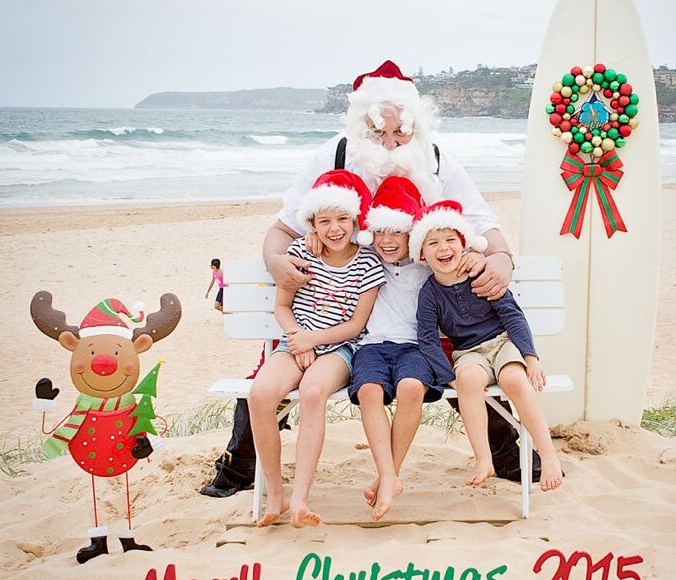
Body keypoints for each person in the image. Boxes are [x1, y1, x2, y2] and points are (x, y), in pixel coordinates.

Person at [201, 59, 533, 499]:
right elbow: (281, 230)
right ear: (361, 128)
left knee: (464, 354)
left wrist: (503, 259)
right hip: (339, 305)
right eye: (379, 133)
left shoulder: (435, 159)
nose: (391, 144)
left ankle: (506, 456)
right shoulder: (333, 156)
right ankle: (240, 468)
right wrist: (277, 262)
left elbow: (484, 223)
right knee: (270, 373)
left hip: (420, 304)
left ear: (417, 127)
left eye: (401, 133)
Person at [247, 170, 385, 527]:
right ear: (312, 223)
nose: (334, 228)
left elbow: (356, 325)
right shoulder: (299, 253)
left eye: (342, 219)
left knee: (311, 392)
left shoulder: (368, 262)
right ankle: (275, 495)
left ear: (354, 219)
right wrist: (297, 337)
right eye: (324, 221)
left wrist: (313, 340)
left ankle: (300, 499)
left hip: (341, 348)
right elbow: (282, 307)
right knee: (260, 395)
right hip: (295, 342)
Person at [412, 200, 563, 491]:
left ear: (464, 244)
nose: (443, 248)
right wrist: (448, 377)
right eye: (433, 243)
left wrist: (531, 358)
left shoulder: (481, 274)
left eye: (449, 240)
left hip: (502, 343)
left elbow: (513, 316)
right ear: (421, 253)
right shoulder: (429, 293)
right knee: (467, 380)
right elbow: (428, 338)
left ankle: (548, 455)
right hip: (468, 353)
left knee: (514, 379)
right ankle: (484, 459)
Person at [343, 176, 442, 521]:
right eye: (380, 232)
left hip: (415, 348)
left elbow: (456, 246)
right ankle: (389, 477)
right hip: (370, 346)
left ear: (410, 233)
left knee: (411, 387)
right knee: (370, 391)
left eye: (396, 232)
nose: (387, 241)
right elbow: (336, 240)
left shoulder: (427, 262)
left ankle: (389, 475)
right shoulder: (366, 257)